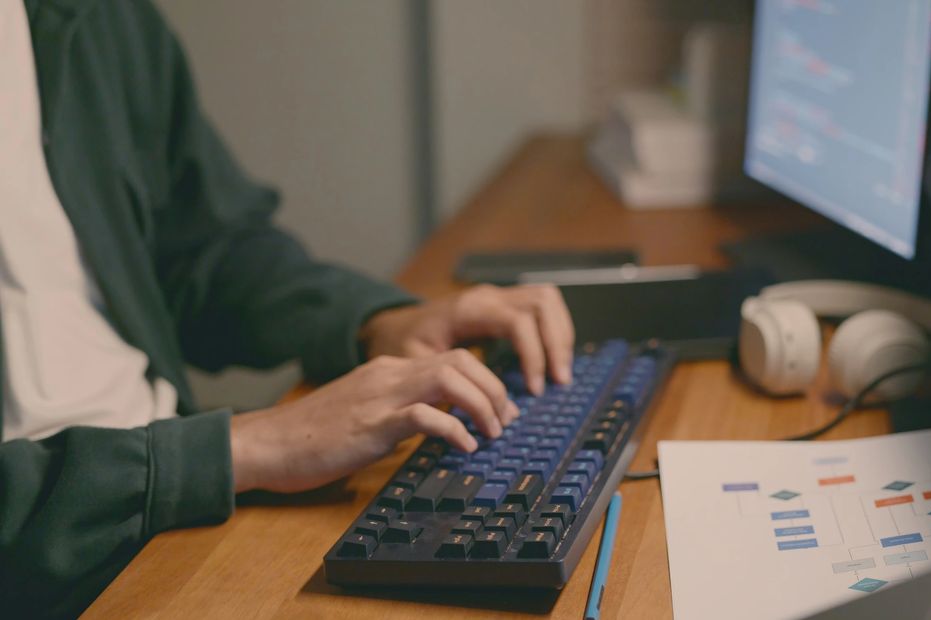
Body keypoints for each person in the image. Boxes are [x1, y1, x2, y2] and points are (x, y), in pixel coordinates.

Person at [0, 0, 575, 615]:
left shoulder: (98, 17)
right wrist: (244, 449)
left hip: (166, 503)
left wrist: (372, 321)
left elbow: (202, 249)